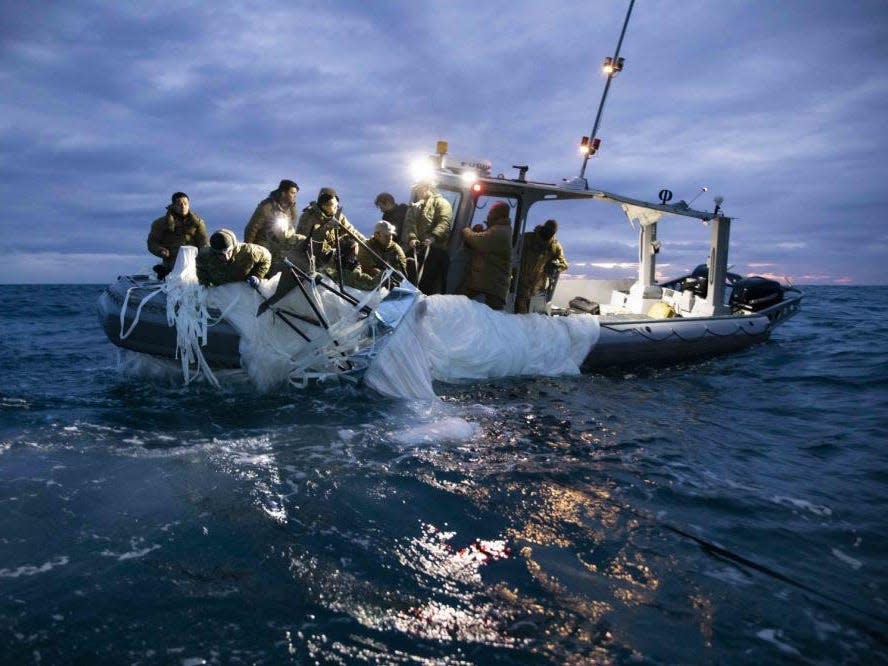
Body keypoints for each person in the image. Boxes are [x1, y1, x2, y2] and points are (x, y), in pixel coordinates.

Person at [402, 179, 452, 294]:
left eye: (419, 189)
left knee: (426, 285)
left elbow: (444, 222)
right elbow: (410, 223)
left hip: (434, 250)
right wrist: (412, 238)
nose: (417, 192)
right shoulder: (416, 206)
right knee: (407, 278)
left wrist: (433, 237)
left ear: (427, 187)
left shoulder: (443, 203)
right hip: (417, 249)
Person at [460, 201, 513, 310]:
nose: (488, 215)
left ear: (497, 214)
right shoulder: (498, 229)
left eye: (491, 212)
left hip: (490, 289)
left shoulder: (500, 232)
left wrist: (466, 230)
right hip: (487, 286)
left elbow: (477, 241)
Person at [296, 188, 365, 268]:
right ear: (324, 206)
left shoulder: (337, 216)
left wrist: (365, 241)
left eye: (337, 205)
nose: (337, 208)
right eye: (334, 206)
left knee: (352, 243)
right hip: (313, 255)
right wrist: (327, 227)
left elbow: (351, 230)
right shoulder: (308, 217)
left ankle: (349, 268)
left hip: (332, 252)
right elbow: (304, 241)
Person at [147, 192, 209, 280]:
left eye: (185, 203)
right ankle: (164, 271)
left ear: (189, 204)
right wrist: (161, 250)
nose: (183, 206)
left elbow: (204, 242)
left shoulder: (197, 223)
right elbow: (152, 243)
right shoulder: (161, 224)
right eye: (179, 204)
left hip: (194, 261)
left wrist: (206, 256)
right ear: (173, 205)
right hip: (172, 261)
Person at [515, 219, 569, 314]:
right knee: (520, 314)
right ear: (543, 228)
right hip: (520, 283)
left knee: (534, 316)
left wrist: (555, 266)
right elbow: (513, 251)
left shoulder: (555, 246)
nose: (549, 233)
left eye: (552, 232)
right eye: (547, 230)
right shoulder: (528, 238)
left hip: (538, 288)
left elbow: (564, 264)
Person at [196, 228, 271, 287]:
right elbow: (201, 269)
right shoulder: (205, 256)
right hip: (222, 293)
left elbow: (266, 257)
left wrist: (257, 276)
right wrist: (205, 285)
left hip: (245, 290)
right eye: (220, 254)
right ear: (214, 252)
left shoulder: (249, 252)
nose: (226, 257)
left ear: (233, 247)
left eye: (229, 252)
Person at [243, 179, 300, 254]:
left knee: (300, 240)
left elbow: (292, 226)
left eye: (295, 193)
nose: (294, 196)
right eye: (292, 193)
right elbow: (252, 227)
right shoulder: (267, 206)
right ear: (283, 193)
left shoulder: (292, 208)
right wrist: (248, 248)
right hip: (264, 244)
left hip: (282, 245)